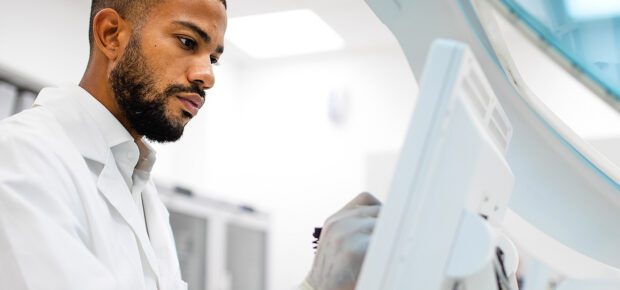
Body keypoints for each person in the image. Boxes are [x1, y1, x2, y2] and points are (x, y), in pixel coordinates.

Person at [0, 0, 381, 290]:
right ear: (111, 34)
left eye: (213, 57)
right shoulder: (20, 158)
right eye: (187, 42)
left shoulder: (144, 199)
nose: (208, 75)